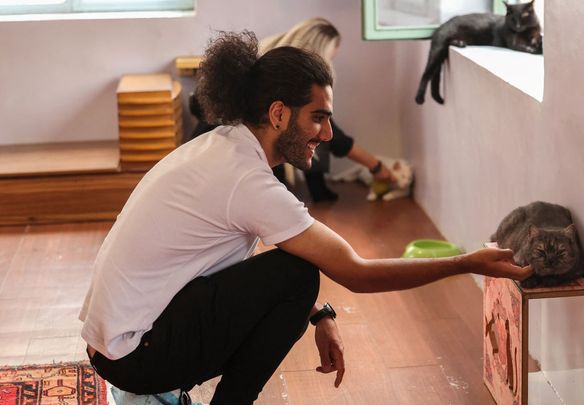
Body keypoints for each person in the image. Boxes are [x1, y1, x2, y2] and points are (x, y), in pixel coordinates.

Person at [79, 30, 532, 405]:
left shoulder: (225, 146)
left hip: (116, 345)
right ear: (278, 114)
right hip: (136, 357)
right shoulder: (247, 180)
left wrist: (319, 317)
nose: (328, 133)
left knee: (291, 274)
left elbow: (230, 264)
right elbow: (356, 272)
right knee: (297, 273)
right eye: (318, 117)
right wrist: (464, 263)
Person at [187, 18, 395, 203]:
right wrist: (376, 166)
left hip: (206, 149)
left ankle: (318, 190)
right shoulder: (287, 76)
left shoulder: (269, 55)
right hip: (222, 160)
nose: (330, 63)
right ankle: (318, 191)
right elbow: (331, 137)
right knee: (308, 128)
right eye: (330, 56)